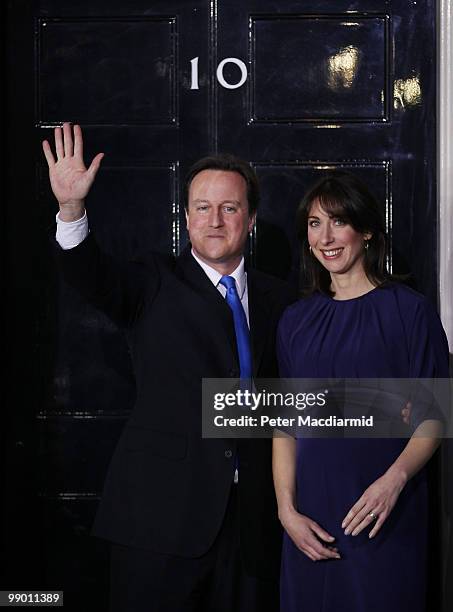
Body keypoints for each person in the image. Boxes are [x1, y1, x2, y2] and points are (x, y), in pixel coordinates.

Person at [42, 123, 295, 612]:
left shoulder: (281, 299)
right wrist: (71, 209)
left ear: (251, 218)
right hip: (159, 521)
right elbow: (89, 273)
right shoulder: (153, 281)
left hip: (252, 527)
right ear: (186, 217)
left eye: (229, 208)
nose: (215, 220)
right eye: (202, 208)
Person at [273, 171, 450, 612]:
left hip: (385, 515)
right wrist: (286, 512)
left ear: (366, 230)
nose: (326, 237)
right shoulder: (295, 321)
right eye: (315, 224)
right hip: (309, 520)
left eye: (338, 222)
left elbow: (435, 415)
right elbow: (285, 426)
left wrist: (395, 481)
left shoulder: (410, 311)